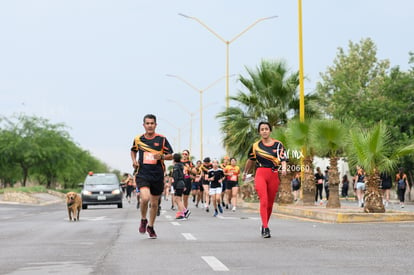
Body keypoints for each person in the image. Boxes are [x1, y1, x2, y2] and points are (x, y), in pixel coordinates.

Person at [130, 114, 173, 239]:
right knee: (144, 198)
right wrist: (134, 160)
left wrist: (163, 157)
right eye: (147, 123)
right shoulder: (138, 139)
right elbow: (133, 150)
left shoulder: (162, 139)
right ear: (144, 125)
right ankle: (143, 219)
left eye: (152, 123)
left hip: (157, 174)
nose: (150, 125)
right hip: (143, 173)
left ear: (155, 125)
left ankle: (151, 226)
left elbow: (171, 155)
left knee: (154, 204)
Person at [243, 121, 287, 238]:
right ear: (259, 132)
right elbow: (250, 160)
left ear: (270, 131)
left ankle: (264, 224)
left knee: (270, 203)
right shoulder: (255, 146)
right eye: (262, 129)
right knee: (264, 200)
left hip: (273, 174)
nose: (264, 131)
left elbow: (283, 159)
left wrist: (283, 168)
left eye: (266, 129)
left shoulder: (278, 145)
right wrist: (245, 172)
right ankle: (266, 227)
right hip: (260, 174)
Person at [171, 153, 190, 220]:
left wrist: (174, 186)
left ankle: (185, 211)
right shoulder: (181, 165)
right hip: (181, 183)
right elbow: (184, 176)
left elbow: (175, 177)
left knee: (177, 199)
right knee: (177, 199)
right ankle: (183, 212)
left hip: (178, 184)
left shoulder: (176, 167)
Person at [181, 149, 194, 214]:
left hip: (187, 181)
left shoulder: (190, 163)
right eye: (183, 154)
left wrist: (189, 169)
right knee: (178, 197)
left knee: (185, 198)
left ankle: (184, 212)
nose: (184, 155)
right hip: (180, 181)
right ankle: (181, 211)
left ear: (188, 155)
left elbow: (195, 172)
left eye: (185, 154)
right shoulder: (179, 162)